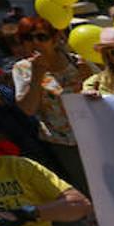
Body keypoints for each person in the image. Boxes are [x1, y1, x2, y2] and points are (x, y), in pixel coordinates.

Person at [10, 16, 94, 192]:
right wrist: (37, 75)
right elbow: (28, 109)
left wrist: (89, 77)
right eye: (27, 38)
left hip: (94, 136)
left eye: (41, 37)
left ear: (55, 39)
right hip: (64, 144)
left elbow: (104, 94)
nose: (34, 43)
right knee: (86, 191)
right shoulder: (22, 68)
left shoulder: (78, 62)